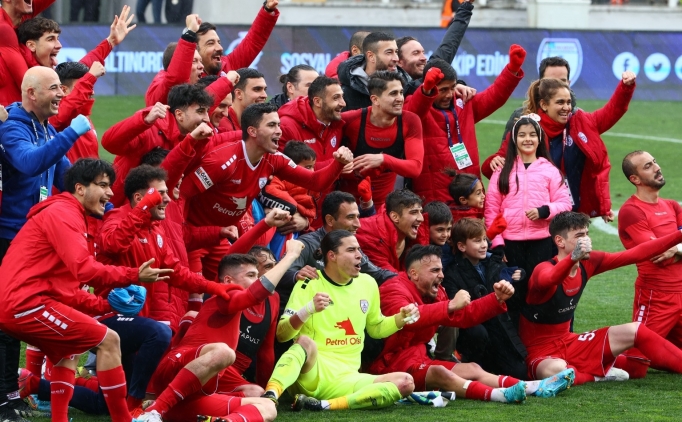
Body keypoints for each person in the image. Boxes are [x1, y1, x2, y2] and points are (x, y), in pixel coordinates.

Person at [0, 158, 172, 422]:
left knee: (68, 350)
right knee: (109, 339)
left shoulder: (73, 216)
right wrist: (133, 275)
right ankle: (123, 419)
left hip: (26, 301)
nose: (110, 193)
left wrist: (107, 305)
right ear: (80, 188)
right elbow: (84, 269)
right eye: (102, 185)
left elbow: (69, 290)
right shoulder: (63, 214)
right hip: (24, 304)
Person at [372, 245, 574, 403]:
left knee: (473, 368)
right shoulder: (393, 288)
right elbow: (407, 319)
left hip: (415, 358)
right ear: (414, 274)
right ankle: (500, 395)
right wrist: (450, 305)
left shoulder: (435, 291)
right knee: (440, 372)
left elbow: (463, 316)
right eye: (435, 270)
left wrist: (496, 299)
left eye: (441, 269)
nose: (441, 275)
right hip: (389, 367)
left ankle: (535, 387)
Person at [180, 102, 352, 280]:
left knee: (231, 287)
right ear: (252, 131)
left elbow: (315, 181)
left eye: (278, 125)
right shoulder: (222, 161)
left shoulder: (274, 159)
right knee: (195, 293)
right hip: (193, 236)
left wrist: (338, 163)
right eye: (271, 125)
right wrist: (178, 233)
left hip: (220, 237)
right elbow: (181, 195)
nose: (279, 131)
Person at [139, 233, 300, 422]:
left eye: (257, 275)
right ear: (228, 281)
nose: (257, 280)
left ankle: (223, 420)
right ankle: (155, 410)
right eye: (251, 275)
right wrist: (290, 255)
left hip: (202, 389)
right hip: (181, 367)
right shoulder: (226, 295)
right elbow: (254, 293)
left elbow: (266, 351)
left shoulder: (270, 301)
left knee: (266, 405)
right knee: (224, 352)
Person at [519, 211, 682, 386]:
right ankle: (599, 375)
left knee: (636, 331)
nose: (587, 240)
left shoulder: (589, 262)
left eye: (587, 234)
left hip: (570, 342)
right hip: (540, 353)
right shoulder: (543, 269)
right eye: (579, 236)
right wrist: (573, 258)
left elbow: (637, 253)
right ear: (560, 241)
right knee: (557, 370)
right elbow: (552, 278)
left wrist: (679, 235)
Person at [263, 230, 419, 411]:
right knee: (304, 342)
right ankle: (271, 395)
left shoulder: (367, 283)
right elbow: (282, 334)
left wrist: (400, 318)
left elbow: (376, 328)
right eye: (351, 250)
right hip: (311, 375)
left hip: (348, 379)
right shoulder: (308, 282)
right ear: (332, 256)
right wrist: (308, 309)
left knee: (405, 382)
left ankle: (324, 406)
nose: (359, 255)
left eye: (359, 249)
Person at [97, 164, 241, 331]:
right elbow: (113, 245)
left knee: (161, 336)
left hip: (138, 316)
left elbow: (175, 271)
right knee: (159, 334)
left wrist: (214, 287)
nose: (168, 199)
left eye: (167, 192)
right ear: (139, 198)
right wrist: (142, 209)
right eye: (160, 193)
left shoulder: (155, 229)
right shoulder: (116, 218)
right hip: (110, 313)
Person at [482, 71, 637, 222]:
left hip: (574, 212)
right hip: (537, 215)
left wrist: (625, 87)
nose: (567, 107)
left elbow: (612, 111)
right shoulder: (527, 130)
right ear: (544, 105)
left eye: (568, 102)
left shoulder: (581, 123)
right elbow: (494, 166)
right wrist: (494, 161)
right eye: (560, 102)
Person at [404, 45, 526, 204]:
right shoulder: (416, 106)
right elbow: (412, 114)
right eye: (443, 90)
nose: (449, 94)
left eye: (452, 87)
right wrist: (425, 91)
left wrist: (512, 70)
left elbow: (493, 97)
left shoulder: (464, 102)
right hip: (436, 199)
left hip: (470, 193)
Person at [485, 114, 572, 326]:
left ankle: (537, 335)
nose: (527, 139)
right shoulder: (502, 171)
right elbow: (491, 210)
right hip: (510, 243)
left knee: (539, 291)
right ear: (514, 139)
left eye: (532, 135)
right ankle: (515, 337)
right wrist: (498, 244)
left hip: (541, 241)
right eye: (522, 135)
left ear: (539, 139)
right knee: (513, 293)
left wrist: (545, 211)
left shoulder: (550, 170)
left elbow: (565, 203)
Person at [618, 151, 682, 377]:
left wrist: (677, 249)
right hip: (656, 298)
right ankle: (590, 354)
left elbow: (670, 252)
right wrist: (675, 249)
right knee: (635, 367)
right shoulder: (631, 211)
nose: (657, 167)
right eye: (647, 166)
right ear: (634, 179)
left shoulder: (672, 206)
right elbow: (659, 254)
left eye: (654, 161)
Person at [102, 83, 214, 206]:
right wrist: (144, 120)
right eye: (200, 111)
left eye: (207, 112)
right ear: (179, 114)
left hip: (158, 208)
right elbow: (109, 143)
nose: (207, 119)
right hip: (121, 205)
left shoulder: (197, 138)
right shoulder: (151, 128)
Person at [443, 218, 528, 379]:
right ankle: (468, 362)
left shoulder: (495, 263)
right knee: (478, 334)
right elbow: (458, 310)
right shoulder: (452, 273)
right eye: (477, 241)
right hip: (474, 332)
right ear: (461, 246)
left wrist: (517, 282)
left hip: (499, 329)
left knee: (519, 373)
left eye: (484, 239)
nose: (483, 245)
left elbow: (514, 302)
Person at [340, 71, 424, 208]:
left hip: (384, 206)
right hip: (347, 205)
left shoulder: (410, 121)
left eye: (401, 92)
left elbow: (415, 168)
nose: (400, 98)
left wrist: (383, 159)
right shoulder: (350, 120)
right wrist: (341, 166)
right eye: (393, 93)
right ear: (375, 99)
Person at [277, 76, 347, 226]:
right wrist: (337, 165)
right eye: (336, 98)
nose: (343, 103)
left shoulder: (336, 123)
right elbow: (284, 171)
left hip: (325, 215)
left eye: (342, 97)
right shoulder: (287, 126)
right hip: (296, 217)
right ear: (317, 101)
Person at [499, 56, 578, 145]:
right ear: (540, 84)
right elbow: (507, 152)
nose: (557, 86)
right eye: (551, 81)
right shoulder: (520, 116)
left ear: (569, 83)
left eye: (562, 81)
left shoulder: (578, 119)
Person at [196, 0, 279, 77]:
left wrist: (267, 10)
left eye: (219, 42)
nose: (219, 48)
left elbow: (254, 41)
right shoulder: (189, 76)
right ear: (195, 48)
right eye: (210, 43)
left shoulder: (228, 65)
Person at [337, 31, 409, 111]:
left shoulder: (408, 87)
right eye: (389, 52)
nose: (396, 58)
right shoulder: (345, 94)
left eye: (396, 52)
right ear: (371, 56)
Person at [355, 189, 424, 273]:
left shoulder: (414, 230)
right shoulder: (372, 236)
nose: (421, 218)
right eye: (414, 212)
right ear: (395, 217)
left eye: (421, 212)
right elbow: (387, 277)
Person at [0, 0, 55, 104]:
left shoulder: (22, 14)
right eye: (51, 39)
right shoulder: (3, 28)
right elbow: (27, 82)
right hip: (10, 108)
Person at [145, 13, 206, 106]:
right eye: (194, 61)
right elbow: (176, 79)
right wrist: (189, 33)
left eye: (200, 61)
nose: (201, 66)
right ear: (173, 65)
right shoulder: (163, 90)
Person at [51, 61, 105, 162]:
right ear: (63, 90)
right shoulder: (55, 114)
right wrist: (90, 78)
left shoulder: (83, 116)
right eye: (82, 85)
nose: (92, 92)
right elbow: (63, 113)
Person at [218, 67, 267, 132]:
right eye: (257, 89)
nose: (264, 95)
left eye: (265, 89)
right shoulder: (222, 121)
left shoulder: (256, 122)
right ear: (239, 94)